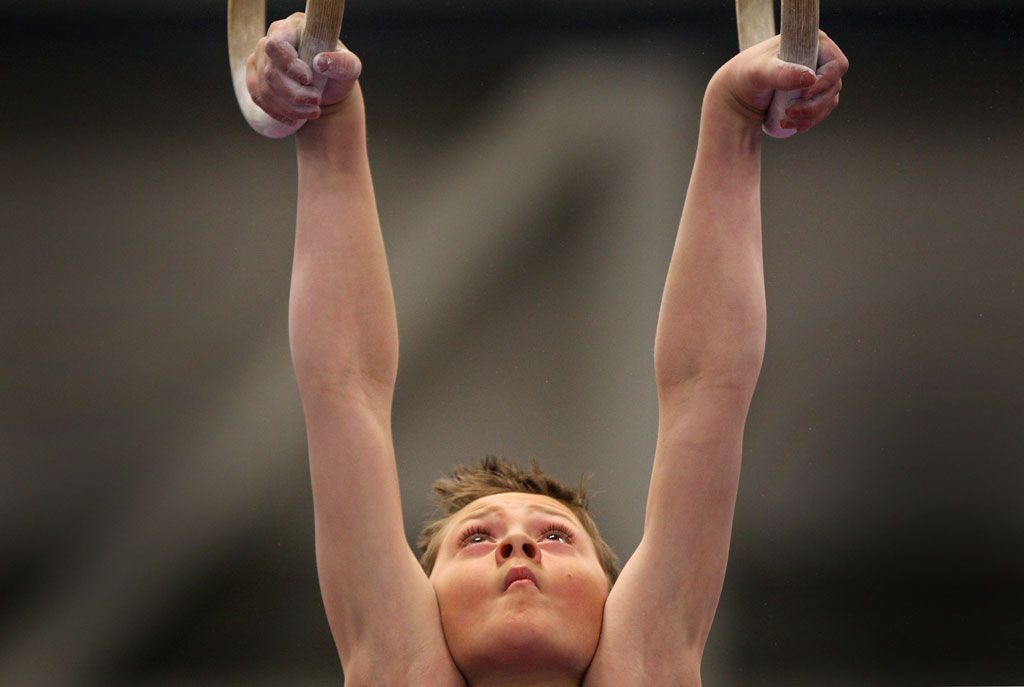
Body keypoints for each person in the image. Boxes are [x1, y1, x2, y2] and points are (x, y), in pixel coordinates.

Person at [245, 14, 848, 686]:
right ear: (421, 606)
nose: (518, 543)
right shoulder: (400, 665)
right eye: (476, 539)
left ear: (615, 606)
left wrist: (325, 121)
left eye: (556, 537)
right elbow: (342, 385)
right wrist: (328, 111)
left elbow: (708, 391)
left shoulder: (642, 666)